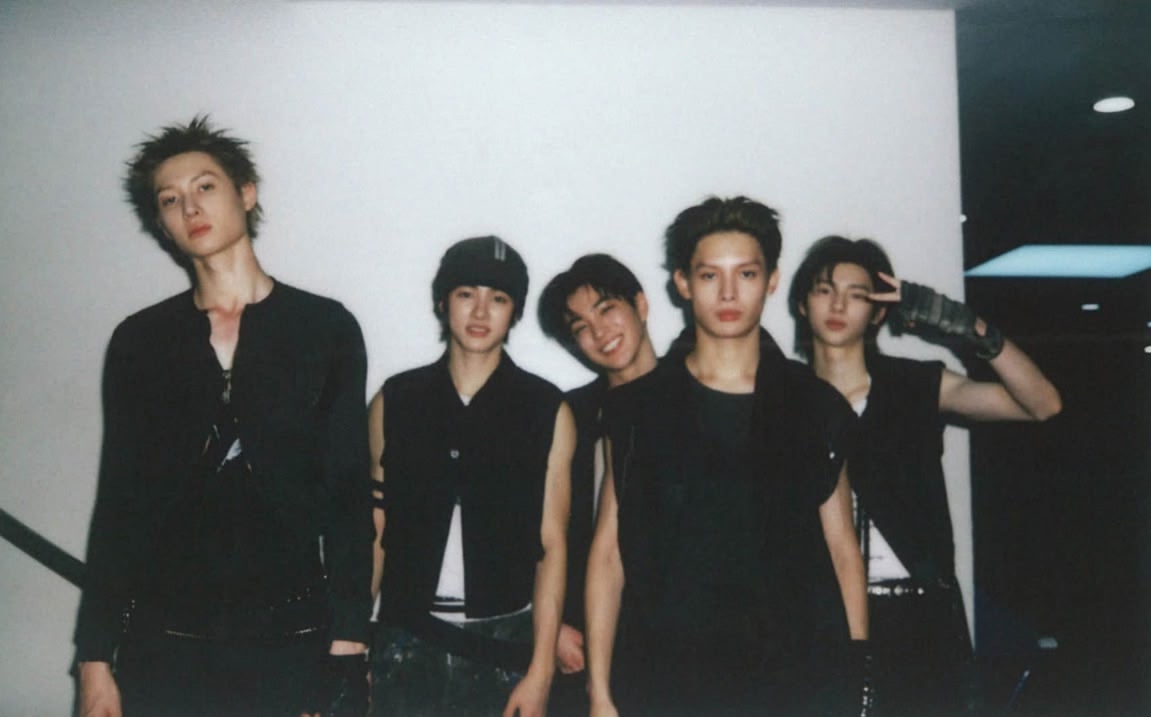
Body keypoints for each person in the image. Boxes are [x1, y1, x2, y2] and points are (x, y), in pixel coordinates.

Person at [74, 116, 374, 717]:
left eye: (205, 186)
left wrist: (348, 645)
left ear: (246, 193)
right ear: (160, 223)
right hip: (165, 643)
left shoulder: (325, 329)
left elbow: (348, 497)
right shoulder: (141, 341)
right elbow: (120, 504)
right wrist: (94, 659)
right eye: (170, 199)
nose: (190, 207)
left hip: (289, 639)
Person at [585, 197, 869, 717]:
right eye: (710, 275)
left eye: (747, 274)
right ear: (683, 283)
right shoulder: (637, 409)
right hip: (670, 675)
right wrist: (600, 692)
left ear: (772, 280)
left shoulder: (814, 404)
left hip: (794, 678)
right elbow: (608, 554)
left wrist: (855, 682)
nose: (729, 293)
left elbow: (842, 548)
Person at [787, 235, 1062, 715]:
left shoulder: (914, 386)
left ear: (878, 312)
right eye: (824, 290)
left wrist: (964, 324)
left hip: (917, 617)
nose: (838, 305)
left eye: (856, 294)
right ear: (801, 303)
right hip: (819, 613)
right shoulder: (783, 399)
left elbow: (1043, 404)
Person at [368, 236, 574, 717]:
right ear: (443, 302)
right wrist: (353, 643)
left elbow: (552, 545)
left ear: (514, 311)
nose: (481, 311)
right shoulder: (395, 400)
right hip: (404, 641)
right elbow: (373, 530)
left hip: (502, 646)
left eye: (498, 298)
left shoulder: (546, 409)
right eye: (466, 294)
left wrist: (540, 673)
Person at [537, 254, 660, 713]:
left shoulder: (699, 395)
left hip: (681, 645)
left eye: (607, 309)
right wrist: (550, 628)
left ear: (640, 305)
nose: (600, 331)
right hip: (584, 647)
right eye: (581, 326)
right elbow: (527, 527)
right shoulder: (569, 415)